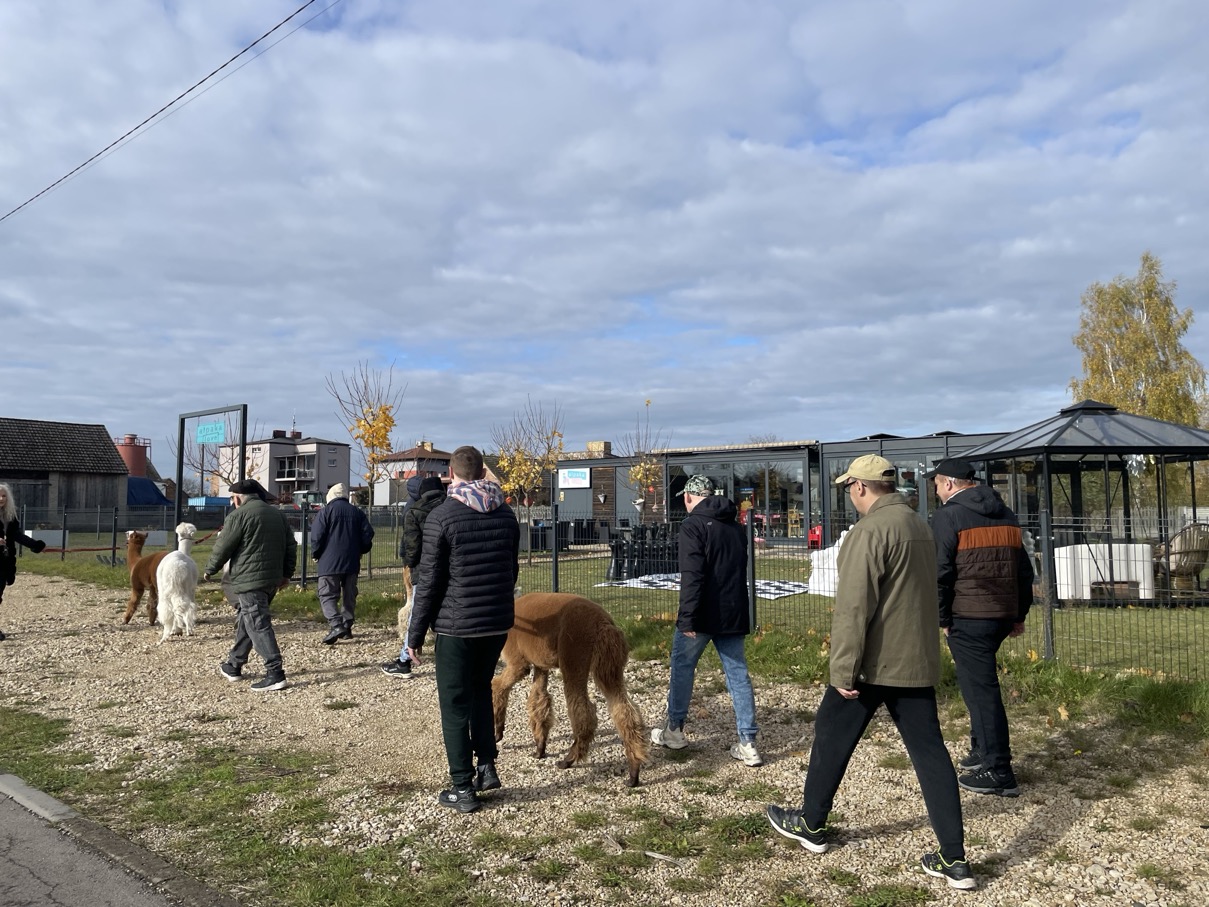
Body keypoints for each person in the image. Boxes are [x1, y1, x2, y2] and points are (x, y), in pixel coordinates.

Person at [766, 455, 975, 891]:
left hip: (871, 664)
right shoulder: (920, 525)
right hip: (915, 661)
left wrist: (842, 670)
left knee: (830, 734)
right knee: (931, 754)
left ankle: (811, 823)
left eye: (849, 488)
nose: (849, 495)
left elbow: (854, 607)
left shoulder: (869, 531)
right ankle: (955, 859)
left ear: (860, 487)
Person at [407, 446, 519, 813]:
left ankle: (462, 786)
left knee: (454, 703)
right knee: (480, 691)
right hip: (496, 622)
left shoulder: (442, 516)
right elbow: (511, 570)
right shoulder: (506, 514)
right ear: (484, 472)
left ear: (451, 475)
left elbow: (429, 582)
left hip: (457, 626)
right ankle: (486, 766)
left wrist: (414, 636)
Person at [928, 457, 1033, 798]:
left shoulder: (948, 516)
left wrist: (942, 619)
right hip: (1001, 613)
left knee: (981, 692)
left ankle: (998, 770)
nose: (936, 491)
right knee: (977, 687)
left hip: (968, 616)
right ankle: (980, 750)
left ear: (948, 483)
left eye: (936, 484)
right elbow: (1023, 569)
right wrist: (1018, 614)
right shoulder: (1006, 513)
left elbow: (940, 572)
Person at [650, 474, 761, 767]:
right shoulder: (735, 527)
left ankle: (674, 730)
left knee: (683, 667)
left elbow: (692, 575)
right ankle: (748, 742)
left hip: (700, 614)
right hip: (732, 611)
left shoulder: (692, 526)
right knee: (737, 673)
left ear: (688, 497)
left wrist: (687, 618)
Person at [204, 479, 298, 692]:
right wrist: (286, 573)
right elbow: (291, 546)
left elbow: (224, 546)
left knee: (258, 623)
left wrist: (210, 569)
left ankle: (275, 673)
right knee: (249, 618)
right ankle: (234, 664)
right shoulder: (277, 515)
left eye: (232, 498)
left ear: (237, 498)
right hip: (272, 578)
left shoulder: (238, 516)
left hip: (249, 579)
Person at [382, 475, 446, 678]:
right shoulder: (452, 508)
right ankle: (447, 657)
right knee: (446, 613)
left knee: (418, 614)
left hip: (424, 570)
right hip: (451, 571)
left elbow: (412, 547)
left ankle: (404, 661)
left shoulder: (415, 511)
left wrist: (410, 565)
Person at [310, 483, 374, 645]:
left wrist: (316, 553)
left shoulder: (325, 512)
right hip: (352, 561)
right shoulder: (357, 512)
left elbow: (317, 536)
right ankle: (347, 626)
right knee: (349, 594)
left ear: (330, 496)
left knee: (327, 594)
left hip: (329, 562)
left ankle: (336, 624)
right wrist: (361, 549)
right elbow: (368, 534)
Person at [1, 482, 48, 641]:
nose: (1, 499)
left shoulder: (10, 517)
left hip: (4, 561)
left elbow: (17, 536)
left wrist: (36, 546)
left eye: (4, 496)